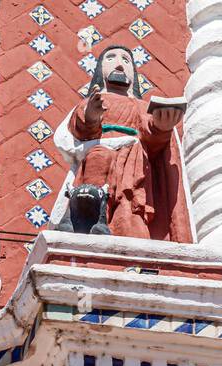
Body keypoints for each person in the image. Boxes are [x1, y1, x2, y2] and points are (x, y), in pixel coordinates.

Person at [54, 44, 192, 241]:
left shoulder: (141, 107)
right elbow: (80, 127)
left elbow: (151, 135)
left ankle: (136, 251)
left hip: (133, 165)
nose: (119, 63)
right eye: (111, 58)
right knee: (95, 173)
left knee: (130, 210)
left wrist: (162, 126)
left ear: (133, 74)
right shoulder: (92, 102)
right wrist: (91, 116)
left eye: (126, 60)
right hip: (98, 156)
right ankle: (87, 217)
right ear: (100, 69)